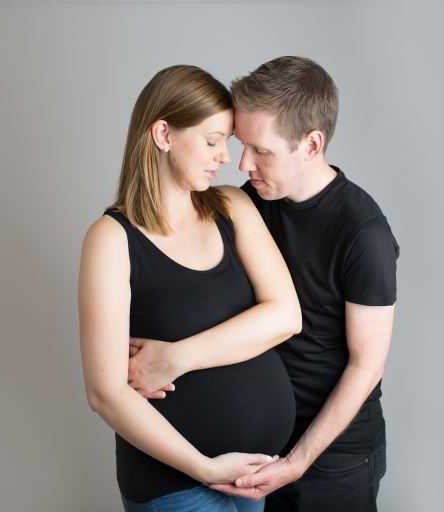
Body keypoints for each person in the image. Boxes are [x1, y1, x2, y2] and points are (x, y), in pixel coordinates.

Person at [130, 57, 399, 511]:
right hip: (256, 451)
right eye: (241, 145)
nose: (243, 163)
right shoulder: (251, 201)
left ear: (311, 145)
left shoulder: (362, 233)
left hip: (331, 458)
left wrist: (299, 460)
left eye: (262, 151)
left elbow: (366, 366)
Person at [78, 65, 301, 512]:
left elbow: (286, 315)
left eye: (228, 143)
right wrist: (203, 467)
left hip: (254, 474)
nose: (226, 158)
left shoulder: (232, 206)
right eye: (212, 141)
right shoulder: (111, 239)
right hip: (177, 486)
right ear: (163, 133)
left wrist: (177, 357)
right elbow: (105, 393)